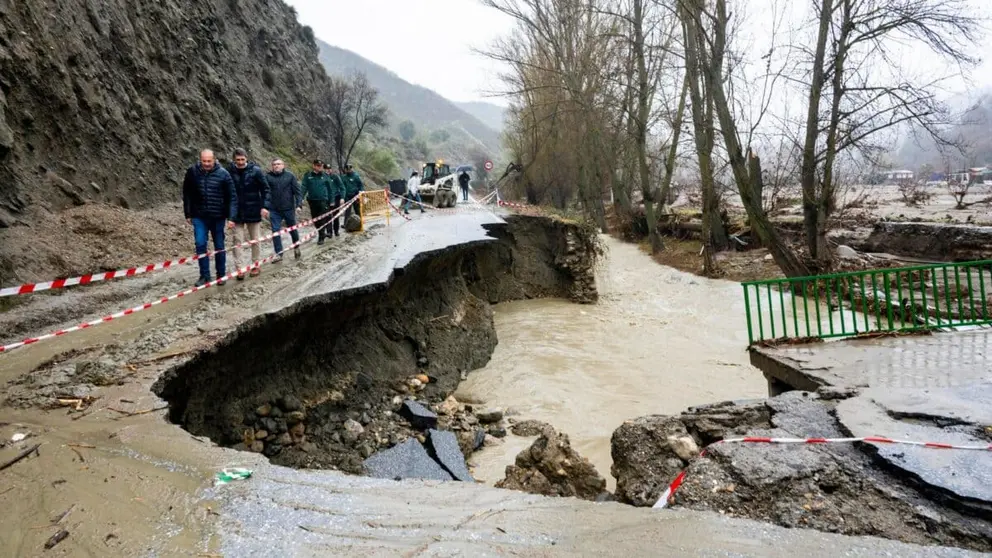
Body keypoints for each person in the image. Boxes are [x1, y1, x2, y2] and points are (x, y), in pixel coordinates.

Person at [183, 149, 237, 287]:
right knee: (200, 244)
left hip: (218, 216)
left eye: (209, 161)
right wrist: (188, 213)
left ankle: (221, 274)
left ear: (214, 159)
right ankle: (204, 275)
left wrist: (231, 217)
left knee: (219, 245)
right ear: (200, 159)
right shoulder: (192, 172)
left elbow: (232, 197)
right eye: (204, 161)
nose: (206, 164)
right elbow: (187, 194)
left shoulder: (224, 174)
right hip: (199, 216)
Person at [227, 148, 268, 279]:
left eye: (242, 159)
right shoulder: (229, 172)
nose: (240, 162)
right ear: (234, 160)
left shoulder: (256, 171)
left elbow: (265, 189)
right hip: (236, 212)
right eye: (237, 160)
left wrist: (265, 206)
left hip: (253, 210)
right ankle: (240, 268)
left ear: (246, 158)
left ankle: (256, 265)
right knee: (237, 240)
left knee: (255, 240)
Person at [263, 158, 303, 261]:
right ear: (272, 166)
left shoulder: (290, 176)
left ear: (283, 165)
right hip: (274, 209)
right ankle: (279, 254)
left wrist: (299, 205)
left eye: (278, 164)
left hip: (288, 208)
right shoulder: (268, 177)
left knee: (292, 229)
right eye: (274, 164)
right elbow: (265, 193)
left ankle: (296, 246)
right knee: (275, 231)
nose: (276, 166)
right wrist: (265, 207)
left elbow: (297, 192)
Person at [301, 159, 332, 245]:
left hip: (323, 200)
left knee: (322, 218)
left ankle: (321, 237)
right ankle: (322, 232)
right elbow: (304, 187)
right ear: (314, 166)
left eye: (321, 166)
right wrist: (301, 198)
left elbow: (330, 189)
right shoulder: (308, 175)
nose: (320, 167)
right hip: (312, 201)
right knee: (315, 220)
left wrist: (331, 200)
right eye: (318, 165)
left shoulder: (325, 176)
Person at [325, 163, 345, 237]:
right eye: (326, 169)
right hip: (326, 199)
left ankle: (336, 230)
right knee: (327, 216)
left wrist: (342, 197)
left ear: (331, 169)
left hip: (336, 198)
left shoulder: (335, 177)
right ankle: (329, 232)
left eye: (329, 169)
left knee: (335, 216)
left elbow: (342, 187)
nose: (328, 170)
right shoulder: (323, 177)